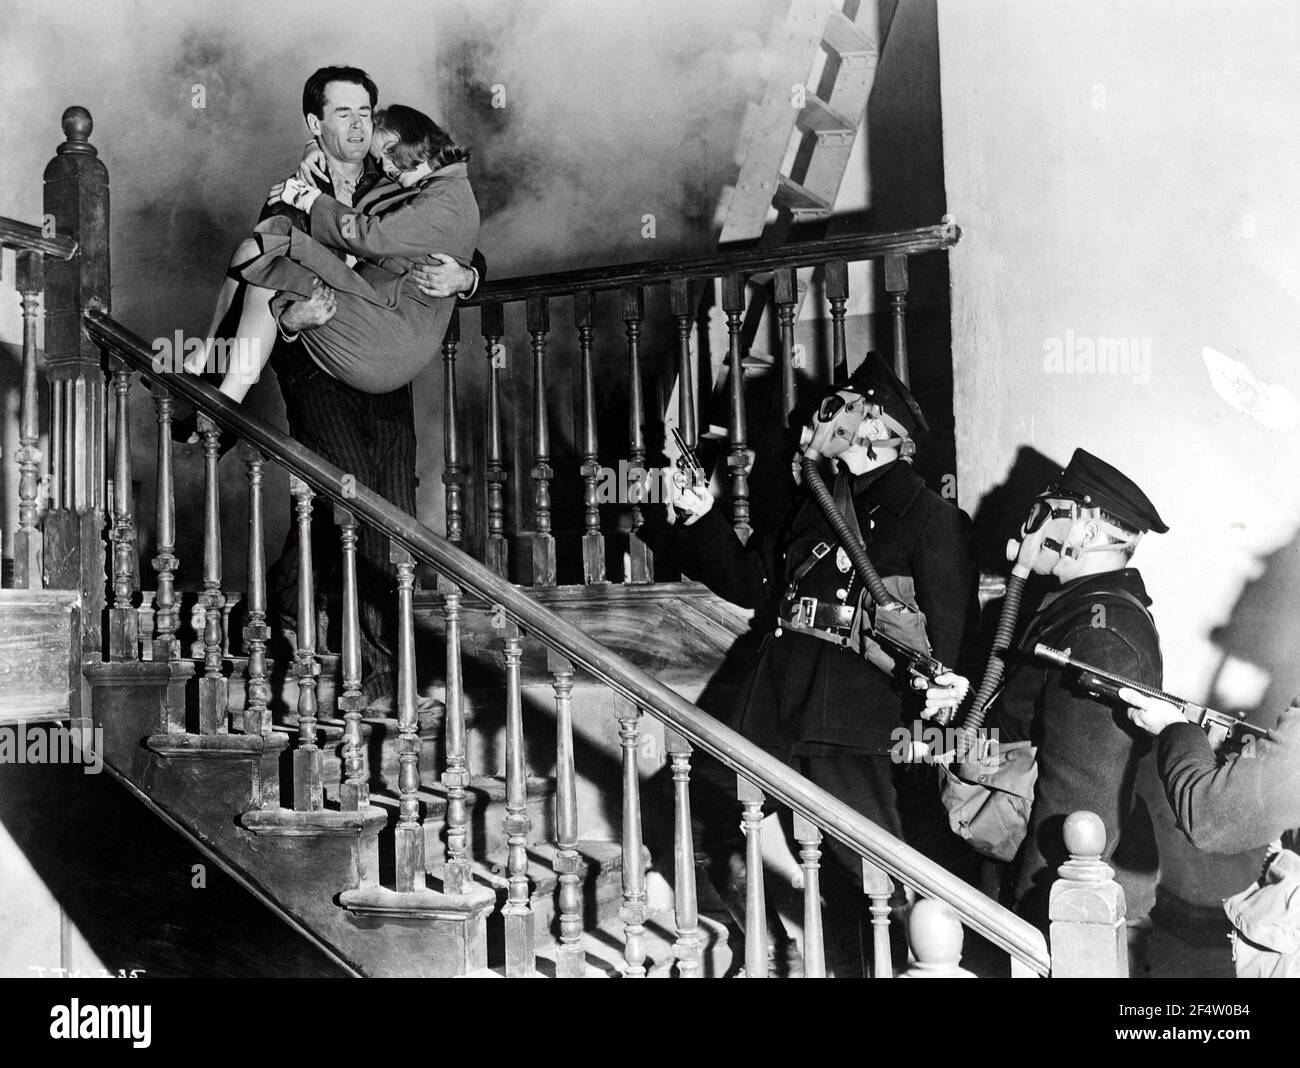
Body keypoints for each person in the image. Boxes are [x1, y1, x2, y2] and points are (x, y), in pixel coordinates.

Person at [667, 353, 978, 968]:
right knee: (709, 821)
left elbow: (950, 642)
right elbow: (758, 583)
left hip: (854, 720)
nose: (830, 418)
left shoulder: (930, 518)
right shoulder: (816, 498)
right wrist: (704, 518)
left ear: (885, 431)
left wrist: (937, 722)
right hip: (776, 699)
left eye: (850, 408)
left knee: (867, 875)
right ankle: (773, 951)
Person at [187, 66, 483, 711]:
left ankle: (276, 619)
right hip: (315, 359)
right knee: (353, 498)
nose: (358, 124)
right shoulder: (289, 198)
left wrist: (467, 277)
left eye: (367, 111)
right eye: (343, 112)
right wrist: (291, 323)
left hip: (381, 358)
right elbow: (265, 287)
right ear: (313, 124)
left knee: (390, 508)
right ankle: (378, 679)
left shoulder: (397, 175)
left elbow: (444, 234)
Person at [961, 449, 1169, 927]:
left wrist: (1033, 914)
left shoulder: (1100, 632)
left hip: (1069, 896)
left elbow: (1080, 796)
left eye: (1046, 513)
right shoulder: (1070, 609)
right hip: (1030, 860)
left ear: (1087, 530)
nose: (1032, 528)